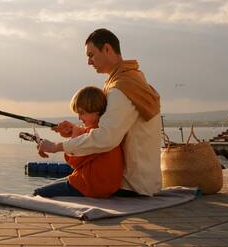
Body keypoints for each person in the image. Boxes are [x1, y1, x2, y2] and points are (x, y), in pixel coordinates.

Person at [36, 28, 162, 196]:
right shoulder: (133, 79)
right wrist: (77, 130)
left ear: (107, 49)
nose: (89, 62)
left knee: (40, 194)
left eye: (91, 55)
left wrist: (57, 147)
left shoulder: (121, 89)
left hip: (131, 186)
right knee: (62, 184)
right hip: (145, 182)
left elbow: (106, 138)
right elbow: (111, 127)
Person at [33, 86, 123, 198]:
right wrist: (71, 132)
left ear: (97, 111)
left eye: (82, 113)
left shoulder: (97, 137)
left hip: (90, 187)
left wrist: (72, 135)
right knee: (52, 185)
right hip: (101, 186)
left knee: (38, 193)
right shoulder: (103, 131)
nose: (79, 118)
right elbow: (84, 134)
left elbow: (73, 162)